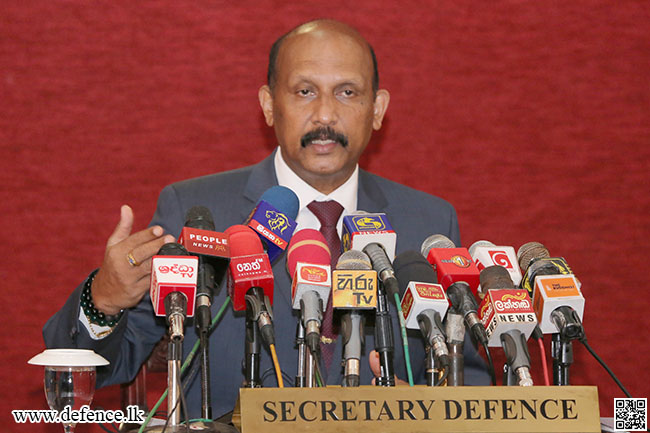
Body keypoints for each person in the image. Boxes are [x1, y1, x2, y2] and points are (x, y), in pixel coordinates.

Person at [44, 19, 490, 419]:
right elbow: (104, 368)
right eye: (304, 91)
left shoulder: (428, 220)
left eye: (347, 92)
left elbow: (470, 378)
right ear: (268, 104)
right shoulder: (199, 212)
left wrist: (425, 408)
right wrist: (101, 301)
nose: (325, 115)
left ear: (377, 109)